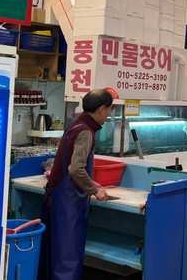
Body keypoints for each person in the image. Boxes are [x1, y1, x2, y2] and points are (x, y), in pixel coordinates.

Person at [38, 88, 117, 280]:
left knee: (56, 254)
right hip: (68, 204)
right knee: (67, 256)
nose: (108, 115)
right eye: (108, 110)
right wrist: (94, 189)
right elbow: (75, 169)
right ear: (101, 109)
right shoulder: (85, 131)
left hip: (58, 197)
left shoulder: (75, 125)